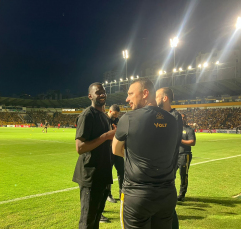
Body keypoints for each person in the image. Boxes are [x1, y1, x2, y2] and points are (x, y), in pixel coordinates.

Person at [112, 78, 178, 229]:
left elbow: (115, 149)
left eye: (130, 94)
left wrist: (134, 155)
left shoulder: (128, 118)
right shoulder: (173, 120)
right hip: (167, 194)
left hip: (138, 195)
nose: (127, 98)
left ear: (145, 93)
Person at [73, 82, 116, 229]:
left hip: (103, 173)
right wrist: (105, 136)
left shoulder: (104, 117)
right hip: (90, 175)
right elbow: (80, 148)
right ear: (90, 96)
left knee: (96, 218)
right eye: (98, 92)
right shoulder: (87, 115)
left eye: (103, 91)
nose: (102, 94)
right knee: (87, 221)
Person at [156, 87, 183, 229]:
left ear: (164, 98)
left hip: (168, 168)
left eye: (157, 96)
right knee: (162, 205)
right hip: (162, 167)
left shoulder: (174, 116)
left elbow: (170, 142)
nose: (155, 99)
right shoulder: (162, 115)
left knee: (168, 206)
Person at [106, 104, 124, 203]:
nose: (116, 116)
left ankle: (122, 193)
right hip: (108, 151)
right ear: (110, 111)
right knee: (108, 173)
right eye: (114, 114)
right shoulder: (104, 120)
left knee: (122, 171)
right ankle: (108, 194)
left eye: (117, 114)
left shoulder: (117, 120)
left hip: (117, 150)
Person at [177, 114, 196, 201]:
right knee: (170, 173)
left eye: (184, 117)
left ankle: (182, 194)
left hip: (185, 155)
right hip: (174, 155)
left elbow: (192, 142)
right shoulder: (175, 128)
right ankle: (170, 192)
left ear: (186, 119)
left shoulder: (189, 130)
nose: (182, 119)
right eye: (181, 117)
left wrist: (180, 141)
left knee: (183, 175)